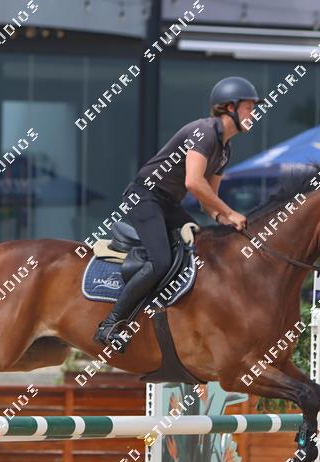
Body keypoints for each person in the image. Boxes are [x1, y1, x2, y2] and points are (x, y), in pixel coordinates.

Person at [93, 76, 263, 345]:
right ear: (230, 107)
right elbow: (193, 182)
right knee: (160, 261)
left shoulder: (225, 149)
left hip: (168, 204)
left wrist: (225, 220)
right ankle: (111, 324)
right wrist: (231, 212)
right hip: (144, 196)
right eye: (249, 108)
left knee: (200, 247)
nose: (254, 114)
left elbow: (209, 200)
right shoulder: (205, 132)